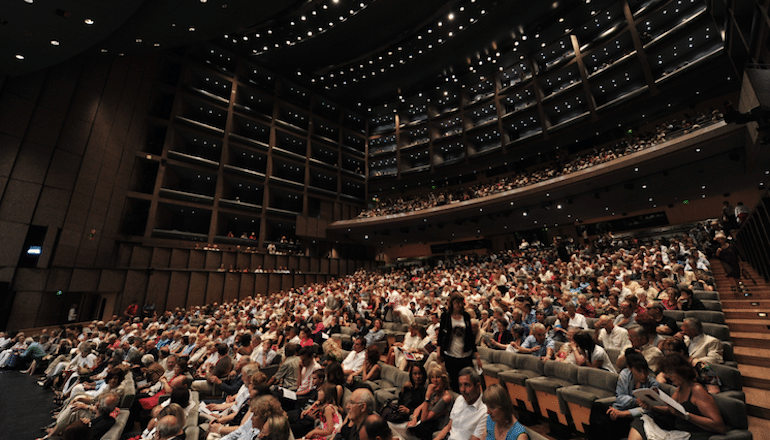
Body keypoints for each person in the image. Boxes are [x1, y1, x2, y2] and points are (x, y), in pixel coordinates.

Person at [628, 354, 725, 440]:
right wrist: (651, 406)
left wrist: (686, 416)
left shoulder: (697, 390)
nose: (668, 376)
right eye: (666, 373)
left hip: (694, 434)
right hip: (678, 429)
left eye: (670, 373)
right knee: (640, 422)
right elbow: (670, 409)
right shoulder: (681, 387)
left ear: (682, 371)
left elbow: (719, 426)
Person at [588, 349, 659, 440]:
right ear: (630, 368)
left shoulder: (653, 384)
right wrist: (635, 401)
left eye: (645, 371)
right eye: (639, 371)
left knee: (611, 420)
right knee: (597, 407)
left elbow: (647, 409)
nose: (643, 375)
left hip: (637, 414)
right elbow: (620, 397)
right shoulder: (625, 374)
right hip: (623, 406)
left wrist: (623, 413)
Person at [437, 293, 482, 392]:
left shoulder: (465, 316)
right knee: (454, 383)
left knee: (468, 382)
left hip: (465, 354)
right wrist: (438, 351)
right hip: (450, 354)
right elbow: (441, 335)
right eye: (457, 303)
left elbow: (470, 336)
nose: (459, 305)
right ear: (452, 303)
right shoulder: (446, 316)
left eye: (461, 302)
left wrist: (477, 356)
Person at [432, 367, 487, 440]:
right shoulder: (459, 399)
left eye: (467, 385)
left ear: (477, 386)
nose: (462, 390)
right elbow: (449, 426)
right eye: (460, 385)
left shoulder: (484, 411)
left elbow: (475, 439)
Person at [402, 364, 453, 440]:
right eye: (432, 377)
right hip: (428, 425)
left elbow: (424, 418)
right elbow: (418, 409)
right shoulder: (435, 393)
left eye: (438, 377)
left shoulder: (446, 397)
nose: (435, 380)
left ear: (443, 379)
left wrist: (427, 396)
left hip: (437, 428)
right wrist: (414, 419)